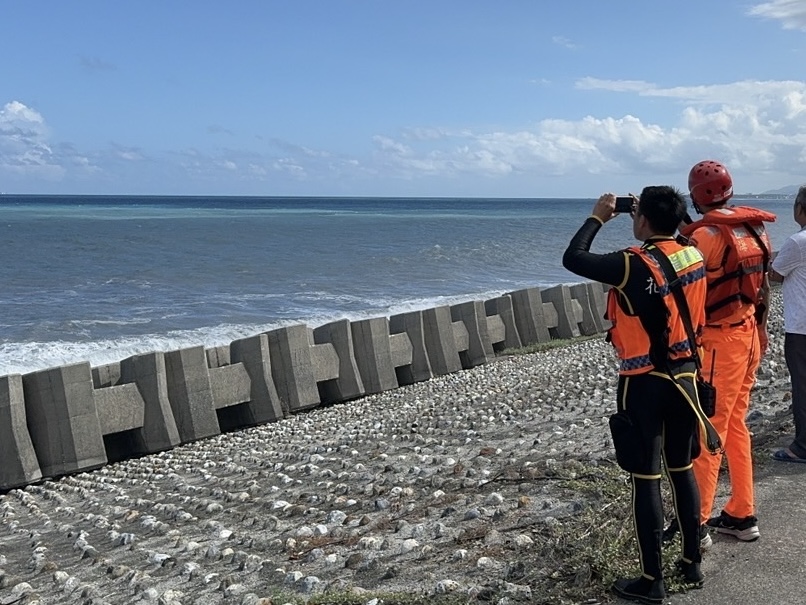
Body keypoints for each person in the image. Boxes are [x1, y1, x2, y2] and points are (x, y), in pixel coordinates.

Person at [563, 186, 719, 604]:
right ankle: (691, 564)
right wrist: (665, 212)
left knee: (646, 477)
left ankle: (652, 580)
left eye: (637, 215)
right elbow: (684, 231)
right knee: (682, 468)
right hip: (687, 375)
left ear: (642, 220)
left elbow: (573, 258)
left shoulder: (632, 264)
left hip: (644, 380)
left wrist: (598, 217)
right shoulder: (693, 254)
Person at [677, 160, 776, 542]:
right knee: (736, 425)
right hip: (750, 334)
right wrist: (763, 333)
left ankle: (698, 522)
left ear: (696, 195)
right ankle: (741, 512)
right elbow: (761, 286)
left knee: (709, 432)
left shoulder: (707, 238)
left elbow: (687, 280)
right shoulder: (755, 228)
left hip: (721, 343)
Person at [769, 186, 806, 463]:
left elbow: (776, 274)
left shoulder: (797, 242)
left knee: (802, 386)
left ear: (799, 209)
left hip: (801, 327)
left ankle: (801, 447)